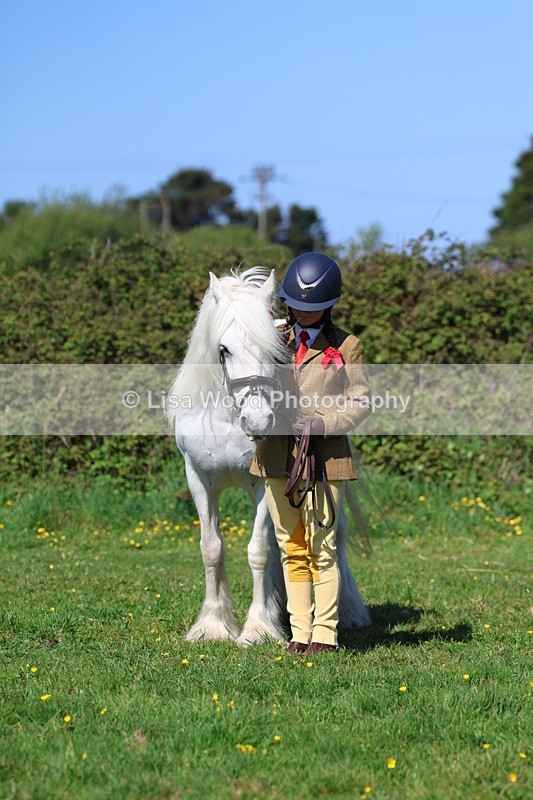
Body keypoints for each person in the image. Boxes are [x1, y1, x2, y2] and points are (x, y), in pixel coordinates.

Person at [250, 252, 370, 654]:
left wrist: (323, 423)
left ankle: (325, 633)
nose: (302, 313)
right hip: (275, 455)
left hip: (325, 459)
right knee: (291, 543)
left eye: (312, 308)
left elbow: (360, 401)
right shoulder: (273, 338)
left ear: (329, 306)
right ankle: (300, 633)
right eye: (296, 306)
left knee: (323, 543)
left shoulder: (347, 346)